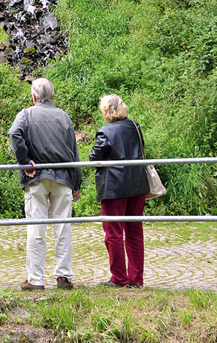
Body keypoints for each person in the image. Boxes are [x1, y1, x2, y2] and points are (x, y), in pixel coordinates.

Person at [8, 77, 81, 291]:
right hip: (63, 177)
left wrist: (24, 161)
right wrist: (77, 183)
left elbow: (14, 134)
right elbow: (74, 152)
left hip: (37, 177)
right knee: (63, 227)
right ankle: (63, 276)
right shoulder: (64, 117)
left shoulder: (26, 115)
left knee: (36, 228)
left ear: (33, 96)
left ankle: (35, 279)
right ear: (53, 96)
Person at [89, 93, 149, 288]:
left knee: (113, 233)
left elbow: (94, 159)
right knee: (135, 231)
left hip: (114, 188)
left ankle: (119, 278)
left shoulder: (104, 132)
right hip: (137, 185)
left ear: (106, 111)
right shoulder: (135, 127)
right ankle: (136, 279)